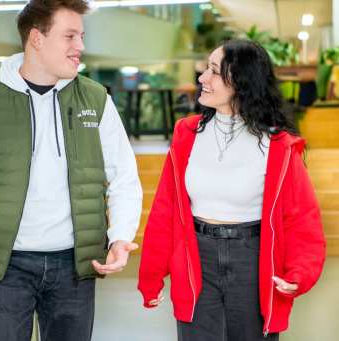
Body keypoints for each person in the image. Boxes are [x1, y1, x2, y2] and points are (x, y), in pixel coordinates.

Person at [0, 1, 142, 340]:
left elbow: (123, 175)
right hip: (7, 265)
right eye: (70, 36)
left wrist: (121, 235)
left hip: (75, 266)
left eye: (81, 36)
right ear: (36, 38)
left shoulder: (95, 99)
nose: (80, 46)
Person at [137, 39, 326, 341]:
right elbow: (166, 209)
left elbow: (301, 216)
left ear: (241, 81)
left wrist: (300, 272)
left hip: (252, 260)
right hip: (196, 257)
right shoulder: (186, 134)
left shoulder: (277, 144)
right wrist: (151, 275)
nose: (202, 78)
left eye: (213, 70)